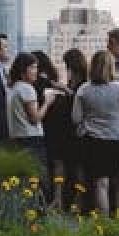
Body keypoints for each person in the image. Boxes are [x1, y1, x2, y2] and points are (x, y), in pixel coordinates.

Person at [72, 49, 119, 217]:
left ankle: (103, 224)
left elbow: (76, 118)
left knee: (100, 183)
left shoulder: (84, 90)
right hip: (118, 141)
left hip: (94, 142)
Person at [47, 49, 85, 211]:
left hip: (73, 129)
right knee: (70, 165)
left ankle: (76, 199)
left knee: (76, 166)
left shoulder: (82, 82)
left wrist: (63, 89)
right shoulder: (76, 80)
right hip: (68, 129)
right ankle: (64, 199)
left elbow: (78, 98)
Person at [6, 52, 56, 173]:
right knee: (37, 178)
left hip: (16, 138)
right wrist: (47, 102)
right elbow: (34, 119)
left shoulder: (13, 88)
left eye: (36, 67)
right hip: (31, 140)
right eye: (33, 67)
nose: (36, 71)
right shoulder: (27, 89)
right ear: (23, 70)